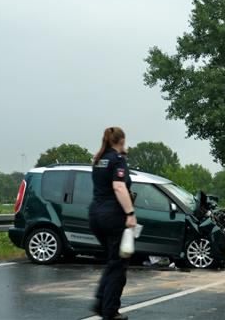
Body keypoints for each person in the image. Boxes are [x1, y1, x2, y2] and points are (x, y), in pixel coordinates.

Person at [89, 127, 136, 320]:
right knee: (119, 266)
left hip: (95, 215)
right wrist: (130, 213)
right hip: (113, 216)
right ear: (121, 140)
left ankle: (101, 302)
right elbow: (118, 186)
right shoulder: (117, 160)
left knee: (112, 261)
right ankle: (109, 311)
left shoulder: (98, 160)